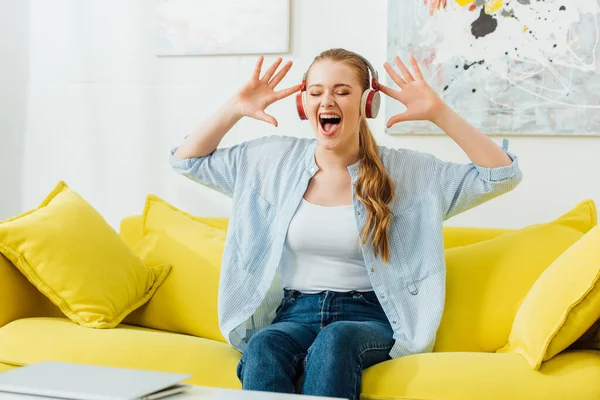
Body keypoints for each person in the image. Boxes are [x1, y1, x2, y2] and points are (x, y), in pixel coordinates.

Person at [170, 48, 522, 400]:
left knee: (335, 340)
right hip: (295, 312)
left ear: (368, 104)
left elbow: (501, 175)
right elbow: (187, 161)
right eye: (316, 92)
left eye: (342, 91)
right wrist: (234, 107)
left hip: (369, 317)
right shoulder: (270, 161)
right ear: (302, 104)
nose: (328, 101)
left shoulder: (409, 173)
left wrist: (439, 113)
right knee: (264, 346)